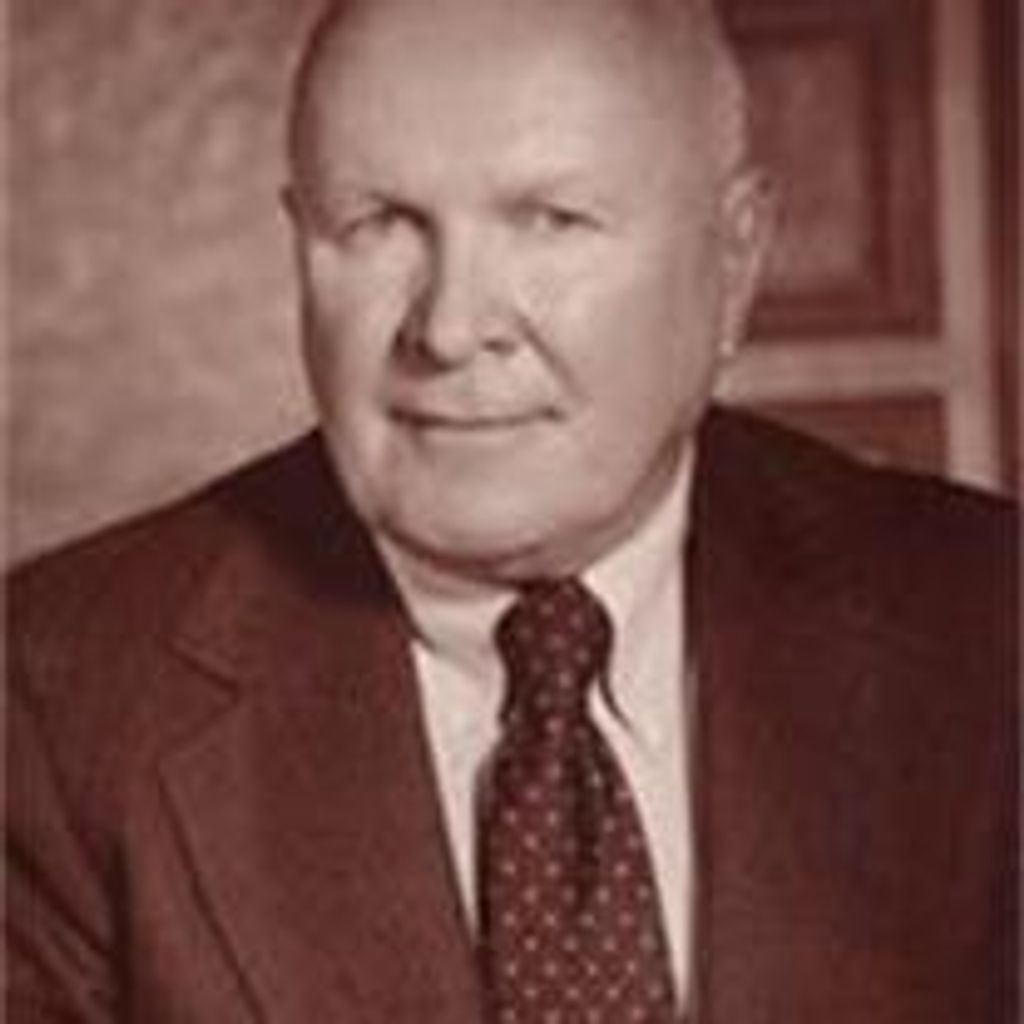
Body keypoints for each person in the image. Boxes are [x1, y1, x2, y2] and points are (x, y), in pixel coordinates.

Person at [7, 0, 1017, 1020]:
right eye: (380, 224)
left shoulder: (988, 629)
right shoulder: (49, 709)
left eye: (551, 221)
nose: (450, 328)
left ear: (735, 258)